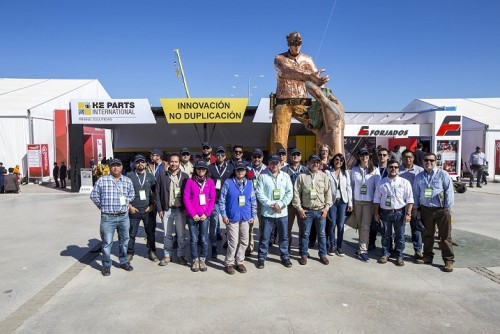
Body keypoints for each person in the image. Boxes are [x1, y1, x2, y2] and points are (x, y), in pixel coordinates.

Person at [271, 31, 329, 152]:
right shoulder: (279, 58)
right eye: (293, 43)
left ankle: (324, 159)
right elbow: (287, 71)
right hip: (283, 103)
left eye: (299, 43)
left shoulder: (308, 59)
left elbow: (316, 78)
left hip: (303, 103)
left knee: (322, 128)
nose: (296, 46)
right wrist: (310, 75)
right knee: (279, 139)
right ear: (289, 44)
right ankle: (280, 164)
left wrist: (320, 81)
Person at [90, 158, 135, 276]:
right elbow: (94, 196)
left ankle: (124, 261)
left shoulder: (127, 181)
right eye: (113, 166)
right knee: (107, 242)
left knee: (124, 241)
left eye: (118, 165)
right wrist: (103, 207)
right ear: (110, 167)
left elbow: (132, 194)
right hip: (108, 218)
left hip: (123, 217)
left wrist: (125, 204)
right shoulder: (102, 180)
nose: (116, 168)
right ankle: (106, 264)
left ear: (122, 167)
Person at [412, 152, 455, 272]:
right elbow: (415, 194)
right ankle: (427, 257)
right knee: (428, 235)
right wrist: (415, 208)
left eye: (431, 160)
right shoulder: (419, 177)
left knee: (445, 236)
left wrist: (447, 209)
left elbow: (449, 192)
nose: (428, 162)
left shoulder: (443, 174)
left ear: (436, 162)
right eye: (426, 160)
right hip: (426, 209)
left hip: (441, 209)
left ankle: (448, 260)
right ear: (423, 162)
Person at [292, 154, 332, 265]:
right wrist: (299, 208)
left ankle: (323, 255)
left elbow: (328, 193)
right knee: (305, 234)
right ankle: (304, 255)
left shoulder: (323, 176)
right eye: (313, 162)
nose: (315, 164)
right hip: (307, 211)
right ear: (308, 163)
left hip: (320, 211)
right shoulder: (302, 177)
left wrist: (326, 208)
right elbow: (296, 193)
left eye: (317, 162)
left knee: (322, 234)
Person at [255, 154, 294, 269]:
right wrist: (272, 204)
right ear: (269, 163)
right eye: (272, 162)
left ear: (280, 164)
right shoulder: (262, 176)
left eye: (276, 162)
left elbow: (289, 193)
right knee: (265, 236)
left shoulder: (286, 176)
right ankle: (261, 258)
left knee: (284, 236)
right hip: (268, 212)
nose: (274, 165)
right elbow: (259, 194)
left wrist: (281, 204)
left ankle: (285, 256)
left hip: (282, 212)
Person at [373, 159, 414, 266]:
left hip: (399, 213)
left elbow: (409, 200)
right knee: (386, 235)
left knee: (400, 236)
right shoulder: (381, 183)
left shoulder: (405, 183)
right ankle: (386, 253)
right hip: (385, 213)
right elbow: (376, 199)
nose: (393, 169)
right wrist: (376, 213)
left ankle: (399, 255)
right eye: (391, 167)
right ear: (387, 168)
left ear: (398, 169)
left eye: (395, 167)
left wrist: (408, 213)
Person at [219, 162, 257, 275]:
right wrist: (224, 215)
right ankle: (229, 263)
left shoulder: (249, 183)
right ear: (235, 171)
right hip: (232, 217)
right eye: (238, 170)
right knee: (233, 242)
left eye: (242, 170)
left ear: (246, 172)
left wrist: (253, 215)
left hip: (245, 217)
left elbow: (253, 200)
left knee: (245, 241)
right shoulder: (228, 183)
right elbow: (222, 200)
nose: (240, 172)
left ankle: (239, 261)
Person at [155, 153, 189, 266]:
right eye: (172, 162)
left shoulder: (185, 177)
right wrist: (160, 209)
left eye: (176, 162)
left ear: (179, 163)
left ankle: (180, 255)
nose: (174, 164)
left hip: (180, 210)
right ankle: (167, 255)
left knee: (181, 235)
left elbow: (189, 195)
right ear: (168, 163)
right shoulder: (162, 175)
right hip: (167, 210)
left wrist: (186, 208)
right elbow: (157, 193)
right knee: (167, 235)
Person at [183, 160, 216, 272]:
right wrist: (193, 214)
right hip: (193, 216)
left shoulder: (210, 182)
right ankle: (195, 260)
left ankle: (202, 259)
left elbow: (212, 199)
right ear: (195, 170)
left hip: (204, 216)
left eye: (203, 168)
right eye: (198, 168)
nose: (201, 170)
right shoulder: (190, 181)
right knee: (193, 238)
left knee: (203, 238)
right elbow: (186, 198)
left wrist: (206, 214)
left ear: (206, 170)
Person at [350, 148, 381, 262]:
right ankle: (361, 248)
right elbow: (351, 187)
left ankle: (363, 250)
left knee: (365, 226)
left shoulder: (375, 170)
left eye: (366, 155)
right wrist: (351, 202)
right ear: (359, 157)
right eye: (362, 155)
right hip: (357, 201)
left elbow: (377, 189)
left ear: (369, 156)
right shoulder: (354, 170)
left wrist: (375, 204)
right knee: (359, 225)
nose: (364, 157)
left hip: (369, 202)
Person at [126, 154, 157, 263]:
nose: (140, 164)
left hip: (148, 210)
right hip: (134, 210)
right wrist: (129, 206)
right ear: (134, 164)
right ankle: (130, 253)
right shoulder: (129, 176)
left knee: (150, 233)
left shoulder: (150, 176)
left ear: (145, 163)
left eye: (142, 162)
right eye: (138, 162)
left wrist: (152, 205)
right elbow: (123, 193)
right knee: (131, 233)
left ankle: (152, 251)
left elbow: (155, 193)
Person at [207, 146, 234, 257]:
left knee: (229, 223)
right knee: (213, 223)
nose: (220, 156)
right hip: (215, 200)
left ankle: (229, 242)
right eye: (218, 154)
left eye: (222, 154)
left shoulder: (231, 167)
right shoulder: (210, 167)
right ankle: (213, 246)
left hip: (228, 200)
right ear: (215, 156)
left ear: (225, 156)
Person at [399, 149, 425, 261]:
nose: (407, 159)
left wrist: (418, 207)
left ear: (413, 158)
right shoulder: (397, 169)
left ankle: (418, 251)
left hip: (415, 205)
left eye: (410, 157)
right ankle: (399, 251)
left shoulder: (420, 171)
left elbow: (423, 189)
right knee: (400, 230)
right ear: (402, 158)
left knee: (416, 229)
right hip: (399, 205)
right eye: (405, 157)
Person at [325, 153, 353, 257]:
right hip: (332, 202)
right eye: (337, 160)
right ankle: (332, 246)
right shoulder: (328, 172)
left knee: (341, 225)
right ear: (333, 161)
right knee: (332, 224)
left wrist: (350, 203)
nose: (339, 162)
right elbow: (326, 188)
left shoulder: (345, 173)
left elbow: (348, 188)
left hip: (342, 202)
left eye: (341, 160)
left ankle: (339, 246)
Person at [281, 148, 309, 251]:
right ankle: (287, 247)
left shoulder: (306, 170)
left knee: (303, 228)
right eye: (293, 154)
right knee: (287, 227)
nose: (295, 156)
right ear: (290, 156)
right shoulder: (284, 170)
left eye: (298, 154)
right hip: (288, 204)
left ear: (301, 157)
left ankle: (302, 249)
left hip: (302, 204)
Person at [368, 147, 389, 250]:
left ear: (388, 157)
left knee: (386, 225)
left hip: (386, 201)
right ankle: (371, 242)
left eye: (384, 155)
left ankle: (389, 246)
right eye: (380, 155)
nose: (382, 157)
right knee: (373, 223)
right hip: (374, 200)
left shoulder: (391, 169)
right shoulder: (373, 168)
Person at [247, 148, 267, 255]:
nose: (257, 159)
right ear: (251, 157)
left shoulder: (266, 169)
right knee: (249, 224)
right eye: (254, 157)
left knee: (263, 225)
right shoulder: (246, 168)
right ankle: (249, 247)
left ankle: (262, 247)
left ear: (262, 158)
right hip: (250, 201)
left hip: (262, 201)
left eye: (259, 157)